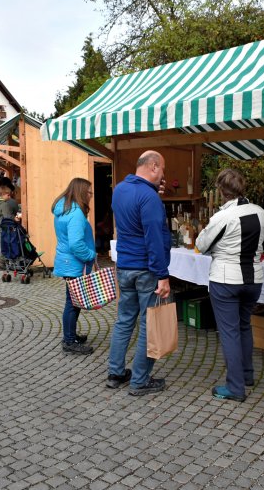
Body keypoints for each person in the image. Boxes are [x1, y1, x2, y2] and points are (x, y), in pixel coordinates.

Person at [195, 169, 264, 402]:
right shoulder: (260, 212)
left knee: (229, 332)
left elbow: (202, 245)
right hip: (253, 279)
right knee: (244, 326)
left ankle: (235, 387)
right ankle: (246, 375)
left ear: (221, 191)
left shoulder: (222, 217)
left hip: (226, 279)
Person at [108, 150, 171, 396]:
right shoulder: (149, 197)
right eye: (162, 169)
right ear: (153, 166)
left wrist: (153, 193)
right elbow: (153, 237)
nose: (163, 174)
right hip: (146, 269)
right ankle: (140, 381)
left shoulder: (120, 189)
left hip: (124, 265)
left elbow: (131, 220)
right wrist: (163, 274)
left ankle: (115, 373)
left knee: (124, 320)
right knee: (148, 325)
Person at [52, 178, 97, 355]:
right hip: (73, 263)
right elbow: (76, 244)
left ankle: (71, 335)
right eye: (89, 192)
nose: (91, 196)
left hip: (67, 261)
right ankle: (69, 341)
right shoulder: (76, 213)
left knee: (73, 302)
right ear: (82, 192)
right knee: (72, 303)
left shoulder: (64, 209)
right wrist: (91, 255)